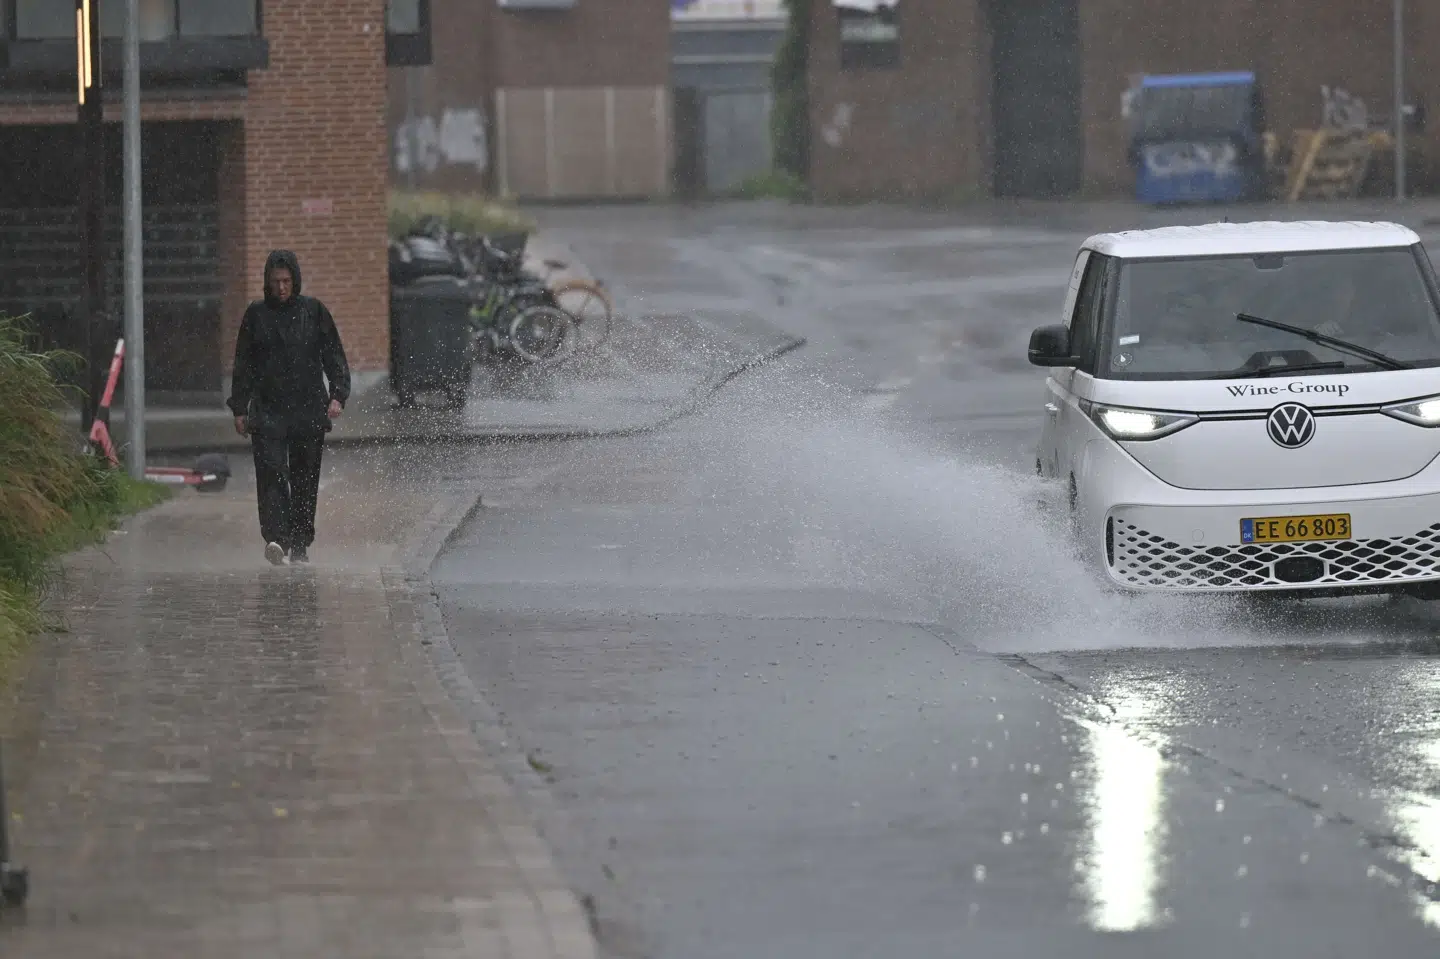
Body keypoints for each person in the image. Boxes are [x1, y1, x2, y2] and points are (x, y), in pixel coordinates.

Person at [227, 251, 350, 566]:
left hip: (308, 407)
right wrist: (240, 408)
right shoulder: (256, 316)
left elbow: (333, 354)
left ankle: (300, 543)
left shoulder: (313, 312)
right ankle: (276, 539)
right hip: (268, 409)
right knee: (270, 473)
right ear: (267, 283)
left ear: (295, 280)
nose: (282, 288)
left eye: (286, 281)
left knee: (305, 478)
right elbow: (243, 364)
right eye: (275, 282)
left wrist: (338, 395)